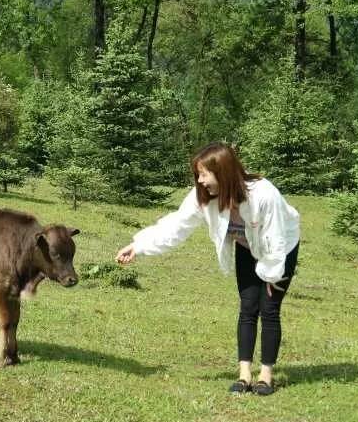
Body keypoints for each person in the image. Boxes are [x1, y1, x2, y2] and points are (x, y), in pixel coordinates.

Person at [115, 142, 300, 395]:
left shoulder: (265, 195)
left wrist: (272, 276)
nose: (200, 181)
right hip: (247, 247)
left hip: (280, 248)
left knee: (269, 308)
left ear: (222, 171)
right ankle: (244, 375)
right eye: (198, 175)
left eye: (204, 174)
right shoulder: (203, 197)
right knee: (248, 306)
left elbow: (276, 239)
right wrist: (138, 246)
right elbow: (176, 225)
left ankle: (266, 376)